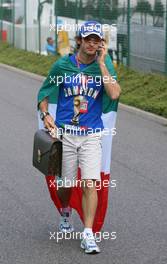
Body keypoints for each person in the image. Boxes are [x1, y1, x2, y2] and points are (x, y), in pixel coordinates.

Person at [37, 20, 121, 254]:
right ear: (80, 41)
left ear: (101, 44)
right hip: (66, 135)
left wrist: (103, 64)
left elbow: (114, 93)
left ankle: (88, 234)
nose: (93, 43)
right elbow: (44, 93)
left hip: (91, 135)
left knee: (90, 183)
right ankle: (65, 209)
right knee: (67, 184)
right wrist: (45, 115)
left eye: (97, 40)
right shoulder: (62, 66)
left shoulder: (104, 66)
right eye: (89, 39)